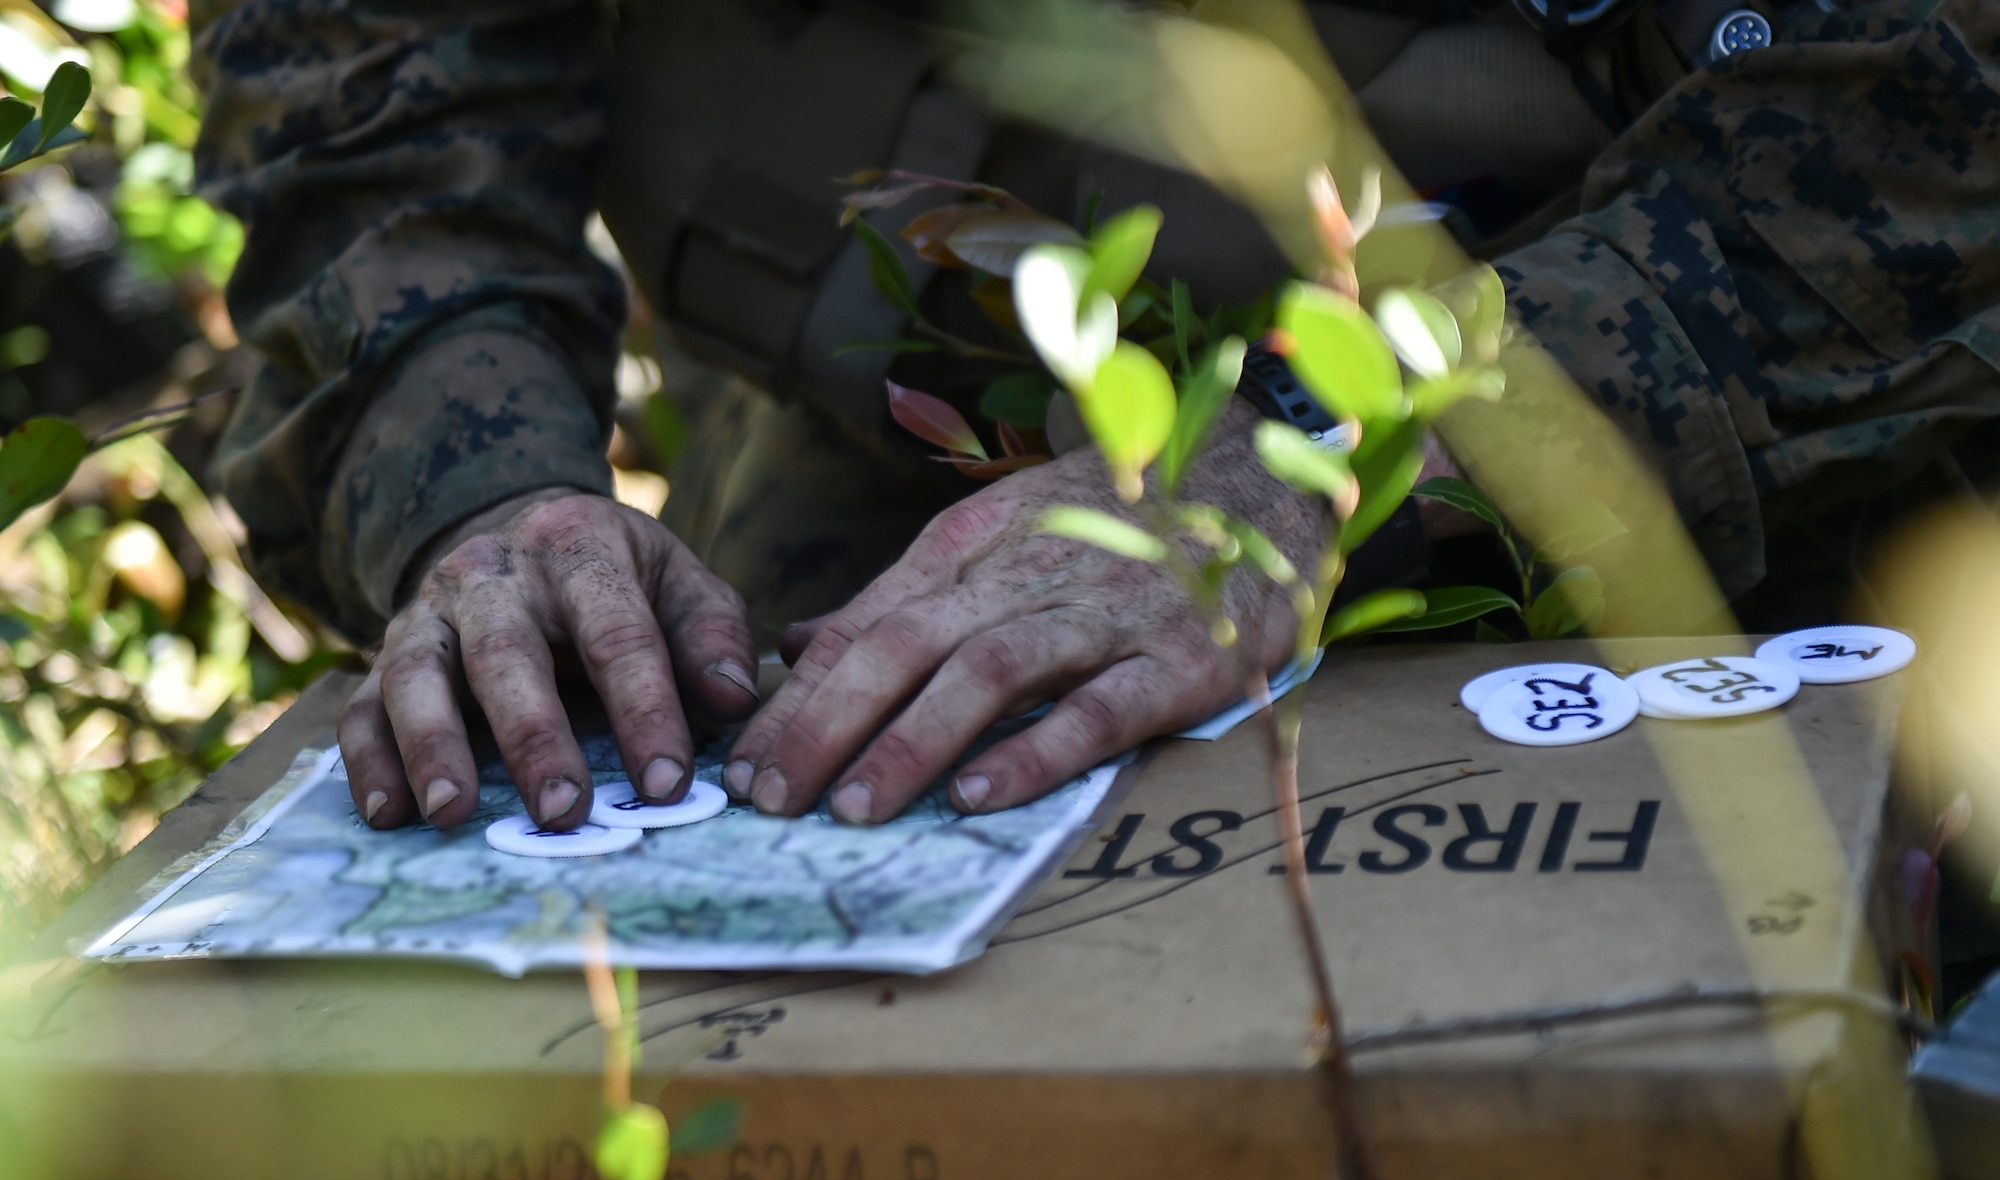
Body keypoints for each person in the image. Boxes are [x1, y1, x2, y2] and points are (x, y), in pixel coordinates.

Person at [187, 0, 2000, 831]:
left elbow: (1932, 126)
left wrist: (1311, 445)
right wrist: (479, 489)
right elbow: (364, 89)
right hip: (905, 411)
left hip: (1701, 404)